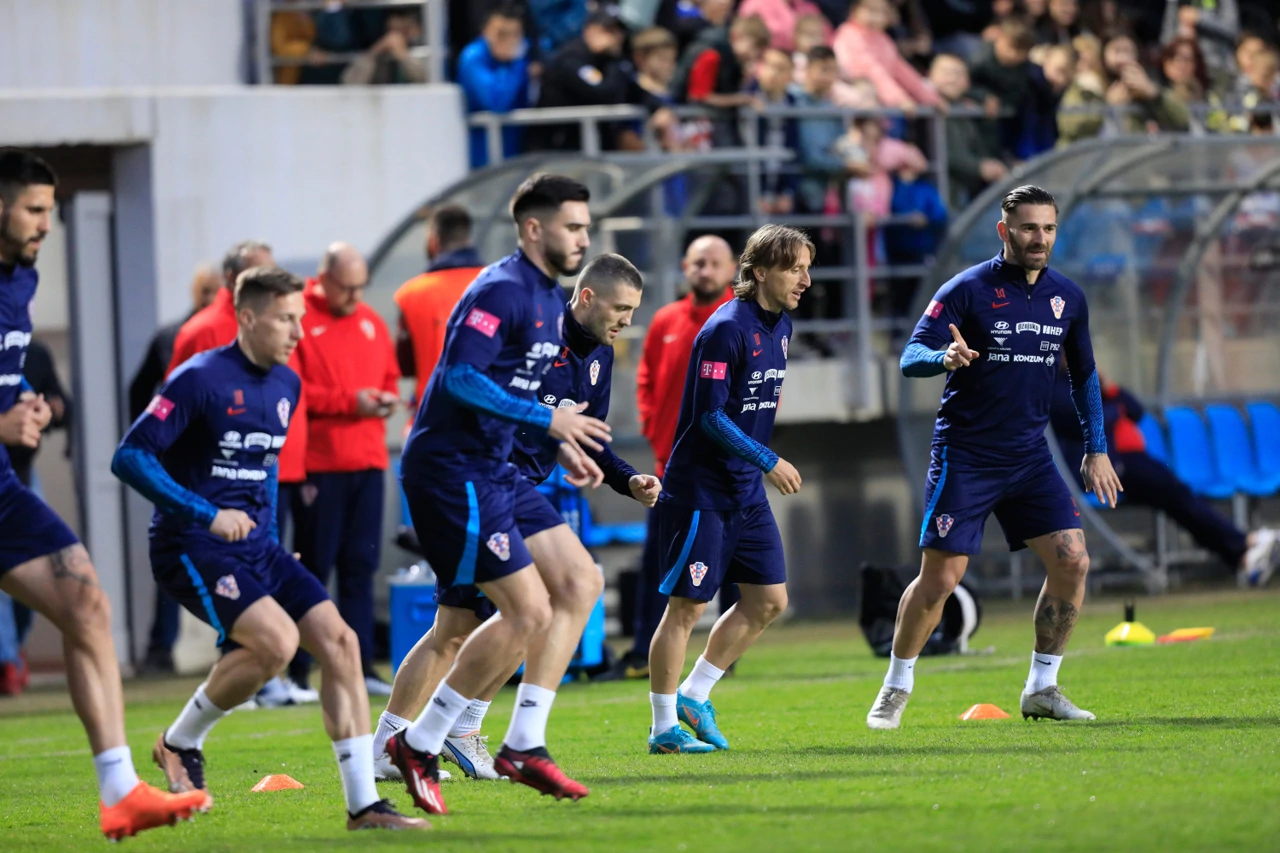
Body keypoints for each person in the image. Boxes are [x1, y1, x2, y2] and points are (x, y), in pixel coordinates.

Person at [112, 266, 427, 831]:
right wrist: (207, 514)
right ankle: (180, 741)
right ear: (249, 317)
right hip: (191, 542)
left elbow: (261, 471)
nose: (298, 333)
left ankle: (364, 806)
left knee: (342, 643)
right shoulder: (197, 378)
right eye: (286, 319)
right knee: (278, 646)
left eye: (301, 319)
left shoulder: (287, 383)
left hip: (258, 546)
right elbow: (130, 457)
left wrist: (272, 546)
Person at [372, 253, 660, 781]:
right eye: (621, 308)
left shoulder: (599, 357)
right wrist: (547, 423)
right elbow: (475, 387)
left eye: (633, 311)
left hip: (517, 490)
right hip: (475, 483)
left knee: (516, 610)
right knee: (466, 624)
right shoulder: (532, 328)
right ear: (587, 297)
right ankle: (398, 742)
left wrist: (626, 479)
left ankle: (457, 732)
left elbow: (584, 432)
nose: (626, 321)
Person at [385, 173, 612, 813]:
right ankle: (424, 739)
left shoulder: (546, 297)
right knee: (525, 613)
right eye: (573, 227)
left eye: (585, 228)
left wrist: (561, 440)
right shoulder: (503, 288)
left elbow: (516, 394)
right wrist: (548, 421)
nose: (582, 239)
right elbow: (459, 377)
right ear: (534, 228)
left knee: (581, 583)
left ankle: (522, 742)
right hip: (452, 469)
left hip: (498, 467)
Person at [0, 151, 211, 839]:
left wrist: (22, 408)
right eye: (33, 210)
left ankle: (120, 790)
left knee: (86, 601)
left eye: (48, 211)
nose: (45, 225)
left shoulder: (20, 279)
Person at [867, 184, 1124, 731]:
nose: (1040, 238)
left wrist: (1096, 447)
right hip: (967, 454)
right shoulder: (967, 289)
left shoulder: (1068, 298)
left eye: (1049, 228)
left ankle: (1042, 687)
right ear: (1005, 231)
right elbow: (910, 358)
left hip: (1030, 457)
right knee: (941, 579)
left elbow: (1084, 378)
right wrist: (944, 356)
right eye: (1029, 228)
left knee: (1073, 559)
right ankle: (897, 682)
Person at [646, 225, 810, 754]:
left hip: (744, 490)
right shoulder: (725, 329)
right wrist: (767, 459)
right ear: (759, 272)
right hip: (701, 490)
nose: (804, 279)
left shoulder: (781, 324)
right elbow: (709, 416)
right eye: (794, 268)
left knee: (768, 600)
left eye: (807, 268)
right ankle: (663, 728)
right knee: (686, 608)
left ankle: (696, 694)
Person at [168, 239, 313, 706]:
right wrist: (200, 500)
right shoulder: (201, 336)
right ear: (237, 287)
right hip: (210, 498)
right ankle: (243, 675)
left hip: (270, 473)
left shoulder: (284, 350)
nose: (295, 329)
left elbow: (282, 405)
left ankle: (277, 677)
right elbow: (166, 420)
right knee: (232, 590)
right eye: (260, 273)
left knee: (288, 578)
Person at [611, 235, 736, 680]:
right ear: (686, 266)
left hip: (725, 469)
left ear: (732, 268)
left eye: (714, 263)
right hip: (670, 467)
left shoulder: (736, 320)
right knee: (656, 565)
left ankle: (725, 656)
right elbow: (645, 382)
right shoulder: (665, 319)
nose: (705, 270)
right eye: (698, 262)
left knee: (733, 564)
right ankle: (645, 649)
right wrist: (653, 428)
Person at [288, 244, 400, 697]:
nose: (354, 295)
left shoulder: (371, 321)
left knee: (361, 566)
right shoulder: (299, 319)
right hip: (321, 465)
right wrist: (347, 402)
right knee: (313, 569)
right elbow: (293, 391)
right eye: (346, 286)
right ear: (323, 278)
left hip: (369, 462)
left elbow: (390, 378)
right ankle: (296, 670)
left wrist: (386, 399)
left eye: (360, 286)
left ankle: (361, 668)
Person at [1048, 369, 1278, 588]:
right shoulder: (1053, 387)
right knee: (1177, 495)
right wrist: (1111, 406)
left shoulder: (1082, 379)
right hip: (1106, 467)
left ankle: (1243, 552)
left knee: (1179, 497)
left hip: (1129, 461)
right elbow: (1091, 419)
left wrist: (1110, 389)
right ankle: (1243, 548)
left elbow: (1135, 410)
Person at [129, 264, 222, 675]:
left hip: (209, 459)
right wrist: (152, 441)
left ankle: (233, 639)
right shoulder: (181, 336)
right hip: (187, 462)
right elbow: (145, 389)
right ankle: (159, 646)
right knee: (176, 543)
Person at [0, 336, 70, 696]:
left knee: (36, 578)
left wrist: (49, 411)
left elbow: (59, 403)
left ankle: (13, 651)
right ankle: (7, 662)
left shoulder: (33, 352)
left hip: (23, 477)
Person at [533, 11, 673, 151]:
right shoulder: (571, 58)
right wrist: (614, 61)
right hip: (556, 151)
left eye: (619, 32)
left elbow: (635, 91)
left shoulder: (609, 60)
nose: (616, 37)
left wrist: (658, 107)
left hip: (590, 151)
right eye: (608, 31)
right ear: (590, 31)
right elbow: (604, 94)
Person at [395, 204, 487, 408]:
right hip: (494, 414)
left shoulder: (412, 293)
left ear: (433, 242)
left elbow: (405, 364)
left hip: (435, 414)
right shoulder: (499, 283)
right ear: (468, 239)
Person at [833, 0, 942, 112]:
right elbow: (870, 70)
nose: (878, 17)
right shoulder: (849, 34)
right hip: (854, 102)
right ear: (854, 10)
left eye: (883, 12)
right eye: (871, 10)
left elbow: (901, 69)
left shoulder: (883, 38)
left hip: (880, 101)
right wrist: (898, 99)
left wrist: (930, 98)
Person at [929, 53, 1007, 210]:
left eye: (958, 74)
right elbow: (936, 151)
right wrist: (979, 167)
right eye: (946, 72)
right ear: (930, 76)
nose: (952, 78)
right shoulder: (925, 108)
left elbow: (982, 145)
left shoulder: (967, 108)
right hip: (938, 194)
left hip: (965, 193)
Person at [457, 4, 531, 169]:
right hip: (482, 155)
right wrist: (511, 64)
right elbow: (497, 102)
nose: (508, 41)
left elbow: (527, 98)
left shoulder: (521, 52)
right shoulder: (473, 57)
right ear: (485, 31)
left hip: (515, 150)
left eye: (514, 35)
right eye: (501, 34)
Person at [340, 9, 427, 85]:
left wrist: (403, 56)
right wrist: (376, 51)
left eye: (405, 30)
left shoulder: (423, 48)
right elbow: (349, 82)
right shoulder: (378, 52)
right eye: (392, 31)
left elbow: (427, 80)